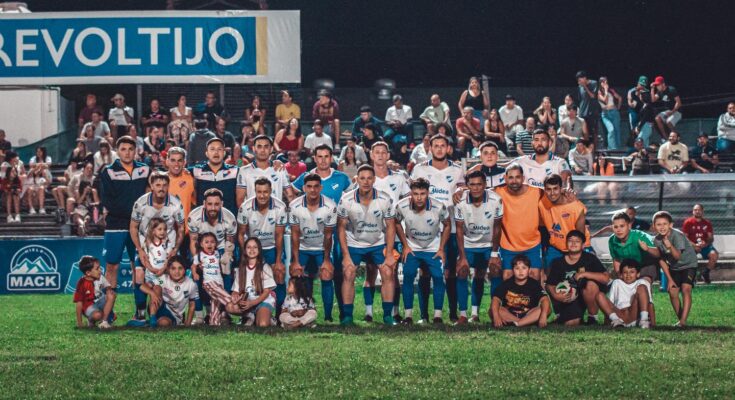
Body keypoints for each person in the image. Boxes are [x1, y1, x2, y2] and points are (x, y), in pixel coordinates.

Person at [291, 145, 352, 318]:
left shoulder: (341, 177)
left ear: (331, 158)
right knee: (308, 275)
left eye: (326, 156)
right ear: (314, 158)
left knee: (336, 274)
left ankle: (341, 312)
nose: (323, 160)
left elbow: (350, 199)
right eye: (320, 156)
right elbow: (291, 191)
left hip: (336, 233)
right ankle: (309, 310)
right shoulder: (307, 177)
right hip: (310, 234)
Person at [411, 134, 465, 321]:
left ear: (448, 148)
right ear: (430, 148)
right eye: (436, 145)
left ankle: (452, 313)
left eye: (443, 145)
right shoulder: (420, 169)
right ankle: (424, 315)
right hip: (425, 229)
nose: (440, 149)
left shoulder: (457, 169)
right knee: (424, 271)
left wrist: (461, 189)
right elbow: (412, 195)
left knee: (449, 271)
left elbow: (462, 189)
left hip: (449, 228)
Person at [99, 136, 151, 326]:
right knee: (112, 266)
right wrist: (133, 213)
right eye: (123, 149)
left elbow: (149, 195)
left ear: (135, 151)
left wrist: (138, 218)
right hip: (116, 225)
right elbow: (107, 200)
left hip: (139, 226)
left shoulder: (145, 169)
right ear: (117, 151)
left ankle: (140, 313)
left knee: (138, 267)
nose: (127, 152)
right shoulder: (108, 172)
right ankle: (108, 313)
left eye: (130, 149)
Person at [337, 165, 397, 325]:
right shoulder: (346, 199)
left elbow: (391, 226)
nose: (366, 181)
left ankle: (387, 316)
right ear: (356, 180)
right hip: (354, 243)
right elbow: (341, 228)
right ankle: (348, 316)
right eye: (362, 178)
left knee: (387, 272)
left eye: (369, 178)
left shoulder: (384, 198)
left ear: (374, 180)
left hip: (377, 242)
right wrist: (346, 256)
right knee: (349, 272)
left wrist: (389, 253)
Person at [128, 172, 185, 324]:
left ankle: (175, 312)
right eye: (158, 185)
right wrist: (140, 249)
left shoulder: (175, 204)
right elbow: (133, 227)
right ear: (151, 186)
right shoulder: (141, 203)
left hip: (168, 247)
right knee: (139, 276)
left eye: (165, 185)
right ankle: (140, 313)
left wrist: (175, 249)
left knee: (171, 279)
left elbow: (181, 228)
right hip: (145, 246)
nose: (161, 188)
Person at [394, 177, 450, 324]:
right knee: (408, 276)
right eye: (415, 194)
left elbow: (447, 224)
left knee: (438, 278)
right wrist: (405, 245)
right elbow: (396, 222)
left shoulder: (439, 206)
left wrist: (441, 248)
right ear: (411, 193)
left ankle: (437, 316)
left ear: (428, 193)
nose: (419, 197)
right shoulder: (401, 206)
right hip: (412, 248)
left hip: (433, 248)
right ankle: (408, 316)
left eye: (422, 194)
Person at [289, 173, 338, 321]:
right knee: (297, 276)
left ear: (321, 188)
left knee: (326, 275)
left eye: (316, 186)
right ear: (304, 188)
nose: (313, 190)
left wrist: (326, 260)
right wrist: (295, 261)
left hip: (321, 248)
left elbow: (328, 235)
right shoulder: (294, 206)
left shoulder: (330, 205)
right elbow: (294, 234)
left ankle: (328, 317)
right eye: (309, 186)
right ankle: (302, 312)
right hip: (303, 248)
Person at [455, 170, 503, 323]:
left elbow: (497, 227)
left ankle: (493, 312)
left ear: (485, 185)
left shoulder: (496, 199)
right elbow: (459, 229)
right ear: (467, 185)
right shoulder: (460, 201)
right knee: (462, 271)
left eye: (479, 184)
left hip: (488, 244)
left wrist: (494, 254)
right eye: (472, 185)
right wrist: (462, 256)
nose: (476, 188)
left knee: (494, 271)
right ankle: (464, 315)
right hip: (469, 244)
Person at [237, 177, 288, 312]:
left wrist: (278, 260)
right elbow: (241, 234)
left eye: (265, 192)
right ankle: (248, 313)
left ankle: (279, 313)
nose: (262, 195)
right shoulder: (245, 207)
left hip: (271, 247)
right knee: (249, 278)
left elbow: (279, 235)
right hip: (253, 248)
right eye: (259, 192)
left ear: (271, 191)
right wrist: (245, 254)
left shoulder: (280, 207)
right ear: (255, 191)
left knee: (279, 274)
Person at [188, 188, 238, 324]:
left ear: (222, 204)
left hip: (221, 247)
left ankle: (224, 313)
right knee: (197, 278)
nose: (213, 208)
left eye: (216, 204)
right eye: (210, 204)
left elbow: (230, 241)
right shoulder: (194, 216)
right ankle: (200, 314)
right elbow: (193, 241)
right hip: (201, 248)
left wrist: (226, 257)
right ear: (204, 204)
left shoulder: (229, 217)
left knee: (226, 271)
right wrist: (197, 259)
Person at [546, 230, 610, 326]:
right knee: (571, 323)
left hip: (586, 294)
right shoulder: (557, 262)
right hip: (568, 296)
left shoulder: (590, 258)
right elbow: (549, 284)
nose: (573, 243)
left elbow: (606, 278)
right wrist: (556, 295)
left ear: (583, 245)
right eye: (570, 240)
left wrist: (585, 274)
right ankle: (561, 316)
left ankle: (592, 318)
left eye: (577, 241)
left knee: (591, 284)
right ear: (566, 243)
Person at [647, 211, 698, 327]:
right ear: (654, 226)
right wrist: (669, 279)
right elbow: (661, 260)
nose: (662, 227)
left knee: (686, 289)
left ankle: (683, 321)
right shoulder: (656, 240)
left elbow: (677, 256)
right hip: (674, 267)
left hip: (689, 265)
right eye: (658, 224)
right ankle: (681, 320)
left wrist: (669, 246)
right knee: (673, 291)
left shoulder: (677, 235)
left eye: (665, 224)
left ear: (671, 225)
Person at [496, 164, 544, 281]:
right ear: (505, 178)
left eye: (517, 177)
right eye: (511, 177)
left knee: (534, 277)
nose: (514, 181)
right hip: (508, 245)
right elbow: (478, 189)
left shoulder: (537, 192)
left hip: (532, 244)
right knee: (507, 278)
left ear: (523, 178)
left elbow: (555, 194)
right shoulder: (498, 192)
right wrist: (460, 189)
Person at [539, 174, 589, 266]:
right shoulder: (542, 202)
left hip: (575, 248)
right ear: (545, 190)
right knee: (549, 271)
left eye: (555, 189)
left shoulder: (575, 207)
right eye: (548, 189)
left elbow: (580, 236)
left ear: (561, 188)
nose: (552, 193)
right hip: (555, 248)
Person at [228, 237, 277, 327]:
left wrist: (252, 303)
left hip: (262, 301)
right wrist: (235, 296)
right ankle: (250, 315)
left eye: (255, 247)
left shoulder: (265, 267)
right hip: (248, 302)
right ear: (245, 250)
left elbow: (266, 293)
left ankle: (269, 318)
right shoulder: (240, 269)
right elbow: (236, 290)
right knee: (229, 306)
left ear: (259, 250)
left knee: (262, 325)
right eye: (248, 247)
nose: (252, 250)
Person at [491, 255, 550, 328]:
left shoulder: (534, 284)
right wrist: (496, 316)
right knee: (494, 310)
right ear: (513, 270)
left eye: (524, 268)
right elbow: (496, 299)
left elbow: (544, 299)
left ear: (529, 270)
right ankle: (524, 323)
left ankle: (518, 324)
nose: (520, 271)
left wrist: (543, 315)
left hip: (529, 314)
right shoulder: (506, 283)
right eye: (517, 268)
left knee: (546, 309)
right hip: (510, 314)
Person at [236, 135, 294, 208]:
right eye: (259, 146)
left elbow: (290, 195)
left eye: (266, 147)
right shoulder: (244, 171)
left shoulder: (280, 169)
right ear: (254, 149)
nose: (263, 150)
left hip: (277, 214)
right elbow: (240, 200)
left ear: (271, 149)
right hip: (252, 214)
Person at [607, 210, 660, 290]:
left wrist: (648, 249)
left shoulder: (640, 237)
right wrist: (619, 275)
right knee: (622, 288)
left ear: (629, 226)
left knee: (642, 287)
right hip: (629, 268)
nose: (619, 230)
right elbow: (616, 259)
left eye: (622, 226)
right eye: (616, 227)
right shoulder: (612, 240)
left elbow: (658, 253)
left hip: (646, 265)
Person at [143, 256, 199, 327]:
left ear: (185, 269)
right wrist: (152, 293)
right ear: (168, 269)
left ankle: (147, 323)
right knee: (157, 287)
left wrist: (188, 324)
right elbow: (142, 286)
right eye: (173, 268)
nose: (177, 272)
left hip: (174, 314)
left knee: (163, 323)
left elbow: (192, 305)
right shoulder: (163, 278)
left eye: (180, 268)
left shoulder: (191, 284)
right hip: (158, 307)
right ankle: (152, 318)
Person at [596, 259, 652, 328]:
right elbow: (610, 304)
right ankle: (616, 321)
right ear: (621, 275)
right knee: (599, 295)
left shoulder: (642, 282)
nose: (628, 275)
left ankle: (644, 320)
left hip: (633, 314)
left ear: (638, 274)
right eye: (625, 272)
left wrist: (653, 323)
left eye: (632, 272)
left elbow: (649, 304)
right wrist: (607, 321)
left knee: (642, 287)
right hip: (619, 315)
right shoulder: (616, 282)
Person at [191, 137, 239, 216]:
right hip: (203, 219)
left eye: (219, 149)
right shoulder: (196, 170)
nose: (216, 152)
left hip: (229, 219)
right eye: (212, 149)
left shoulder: (235, 171)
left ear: (224, 153)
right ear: (206, 153)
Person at [135, 217, 174, 305]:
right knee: (142, 287)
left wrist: (163, 269)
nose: (163, 231)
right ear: (153, 231)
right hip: (151, 275)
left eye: (164, 229)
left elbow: (168, 259)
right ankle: (141, 308)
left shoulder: (167, 243)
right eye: (160, 229)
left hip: (163, 274)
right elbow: (146, 260)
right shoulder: (147, 244)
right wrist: (151, 269)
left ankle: (155, 310)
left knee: (160, 292)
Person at [196, 232, 231, 326]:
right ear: (201, 244)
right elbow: (194, 266)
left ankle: (214, 323)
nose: (209, 244)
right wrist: (196, 272)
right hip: (209, 282)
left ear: (216, 244)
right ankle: (234, 303)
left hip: (219, 282)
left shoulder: (217, 253)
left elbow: (223, 265)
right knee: (226, 298)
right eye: (206, 242)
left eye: (212, 242)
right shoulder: (200, 255)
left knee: (216, 302)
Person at [73, 256, 115, 329]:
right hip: (88, 307)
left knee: (111, 294)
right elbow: (79, 304)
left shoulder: (100, 277)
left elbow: (108, 286)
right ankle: (91, 320)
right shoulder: (82, 283)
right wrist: (79, 323)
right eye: (97, 269)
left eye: (100, 268)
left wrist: (108, 290)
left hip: (99, 302)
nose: (100, 270)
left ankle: (104, 322)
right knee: (97, 315)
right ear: (88, 273)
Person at [682, 204, 718, 284]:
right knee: (688, 256)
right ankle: (691, 277)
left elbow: (711, 238)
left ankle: (705, 273)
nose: (697, 212)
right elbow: (685, 238)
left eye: (699, 210)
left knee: (714, 255)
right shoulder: (688, 222)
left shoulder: (707, 223)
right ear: (693, 211)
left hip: (704, 246)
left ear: (702, 211)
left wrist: (706, 243)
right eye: (695, 210)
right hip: (692, 246)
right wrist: (694, 245)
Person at [575, 71, 601, 148]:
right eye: (578, 80)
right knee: (583, 132)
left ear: (585, 78)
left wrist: (585, 87)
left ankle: (594, 149)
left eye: (580, 80)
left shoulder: (594, 83)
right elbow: (580, 100)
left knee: (593, 132)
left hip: (592, 112)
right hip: (582, 112)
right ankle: (584, 148)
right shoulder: (579, 87)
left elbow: (593, 96)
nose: (579, 82)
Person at [597, 76, 623, 150]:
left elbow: (620, 98)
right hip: (605, 114)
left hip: (614, 112)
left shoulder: (611, 91)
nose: (605, 83)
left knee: (617, 130)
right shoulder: (598, 92)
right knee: (611, 130)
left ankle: (618, 149)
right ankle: (612, 149)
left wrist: (618, 107)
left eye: (606, 81)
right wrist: (605, 90)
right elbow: (605, 101)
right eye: (603, 82)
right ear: (600, 83)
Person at [26, 146, 52, 215]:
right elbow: (31, 165)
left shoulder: (48, 158)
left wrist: (37, 166)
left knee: (41, 188)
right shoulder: (33, 158)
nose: (38, 153)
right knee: (30, 189)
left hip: (44, 179)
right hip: (33, 180)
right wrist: (40, 165)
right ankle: (31, 208)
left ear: (43, 152)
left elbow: (48, 165)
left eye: (40, 151)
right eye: (37, 151)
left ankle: (41, 208)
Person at [1, 158, 22, 223]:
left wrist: (18, 190)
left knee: (15, 196)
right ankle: (9, 215)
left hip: (15, 195)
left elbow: (20, 188)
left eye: (15, 171)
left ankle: (17, 215)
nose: (14, 173)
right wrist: (8, 189)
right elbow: (3, 189)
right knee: (9, 195)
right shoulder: (5, 179)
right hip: (6, 196)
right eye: (12, 171)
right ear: (8, 172)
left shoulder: (17, 180)